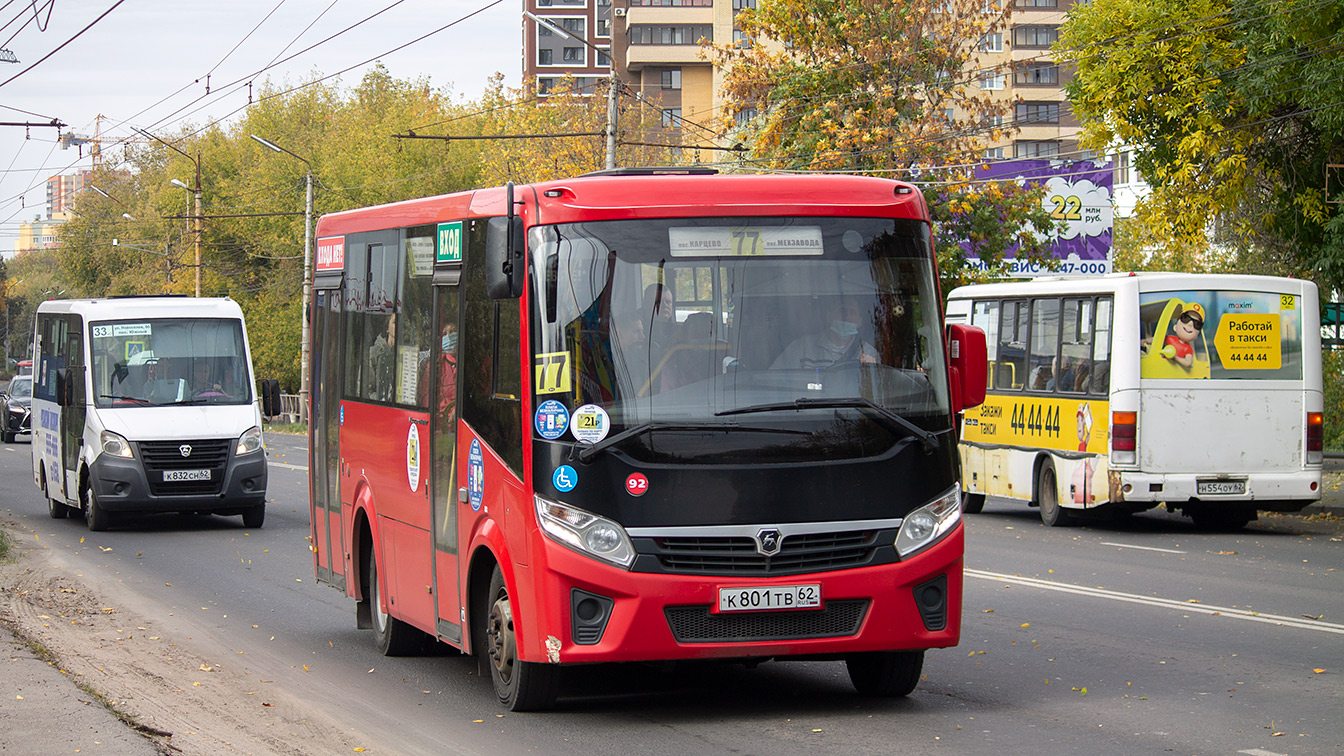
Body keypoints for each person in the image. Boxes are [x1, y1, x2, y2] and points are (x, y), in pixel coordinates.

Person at [771, 296, 879, 369]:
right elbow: (775, 378)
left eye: (852, 312)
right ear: (829, 317)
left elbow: (874, 391)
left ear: (859, 321)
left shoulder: (868, 353)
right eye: (842, 311)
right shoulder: (802, 347)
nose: (847, 317)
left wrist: (870, 370)